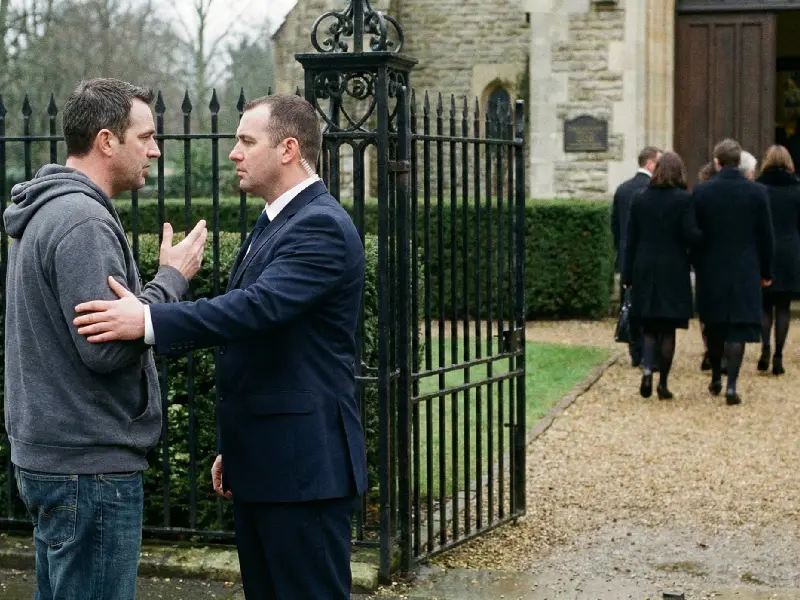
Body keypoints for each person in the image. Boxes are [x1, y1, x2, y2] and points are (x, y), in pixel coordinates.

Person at [72, 94, 368, 600]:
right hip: (269, 463)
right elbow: (262, 345)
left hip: (305, 472)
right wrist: (240, 446)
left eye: (246, 141)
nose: (233, 152)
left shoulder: (320, 225)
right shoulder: (276, 219)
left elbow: (255, 309)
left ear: (288, 149)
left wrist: (147, 318)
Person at [2, 78, 207, 600]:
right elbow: (107, 347)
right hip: (88, 470)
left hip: (57, 459)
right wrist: (172, 280)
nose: (155, 150)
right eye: (146, 137)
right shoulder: (82, 222)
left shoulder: (48, 209)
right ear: (106, 141)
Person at [693, 138, 775, 405]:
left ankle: (717, 376)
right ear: (739, 162)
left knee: (715, 324)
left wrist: (696, 262)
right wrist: (766, 271)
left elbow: (694, 233)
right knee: (738, 327)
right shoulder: (757, 192)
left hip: (711, 269)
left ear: (717, 162)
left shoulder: (702, 192)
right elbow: (766, 236)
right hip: (745, 268)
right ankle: (731, 386)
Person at [623, 152, 702, 399]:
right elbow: (691, 234)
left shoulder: (639, 198)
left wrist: (627, 275)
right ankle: (663, 384)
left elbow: (630, 240)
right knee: (668, 329)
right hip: (673, 268)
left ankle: (647, 370)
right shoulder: (683, 199)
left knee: (649, 326)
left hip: (644, 266)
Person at [612, 145, 662, 367]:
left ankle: (635, 350)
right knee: (649, 305)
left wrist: (621, 251)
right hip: (649, 257)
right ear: (650, 163)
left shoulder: (623, 189)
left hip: (627, 256)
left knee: (630, 304)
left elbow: (615, 226)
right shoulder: (653, 190)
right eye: (659, 163)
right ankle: (649, 353)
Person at [756, 145, 800, 375]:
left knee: (765, 304)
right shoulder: (797, 189)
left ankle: (765, 348)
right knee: (783, 306)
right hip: (789, 250)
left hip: (765, 249)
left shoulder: (759, 188)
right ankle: (778, 356)